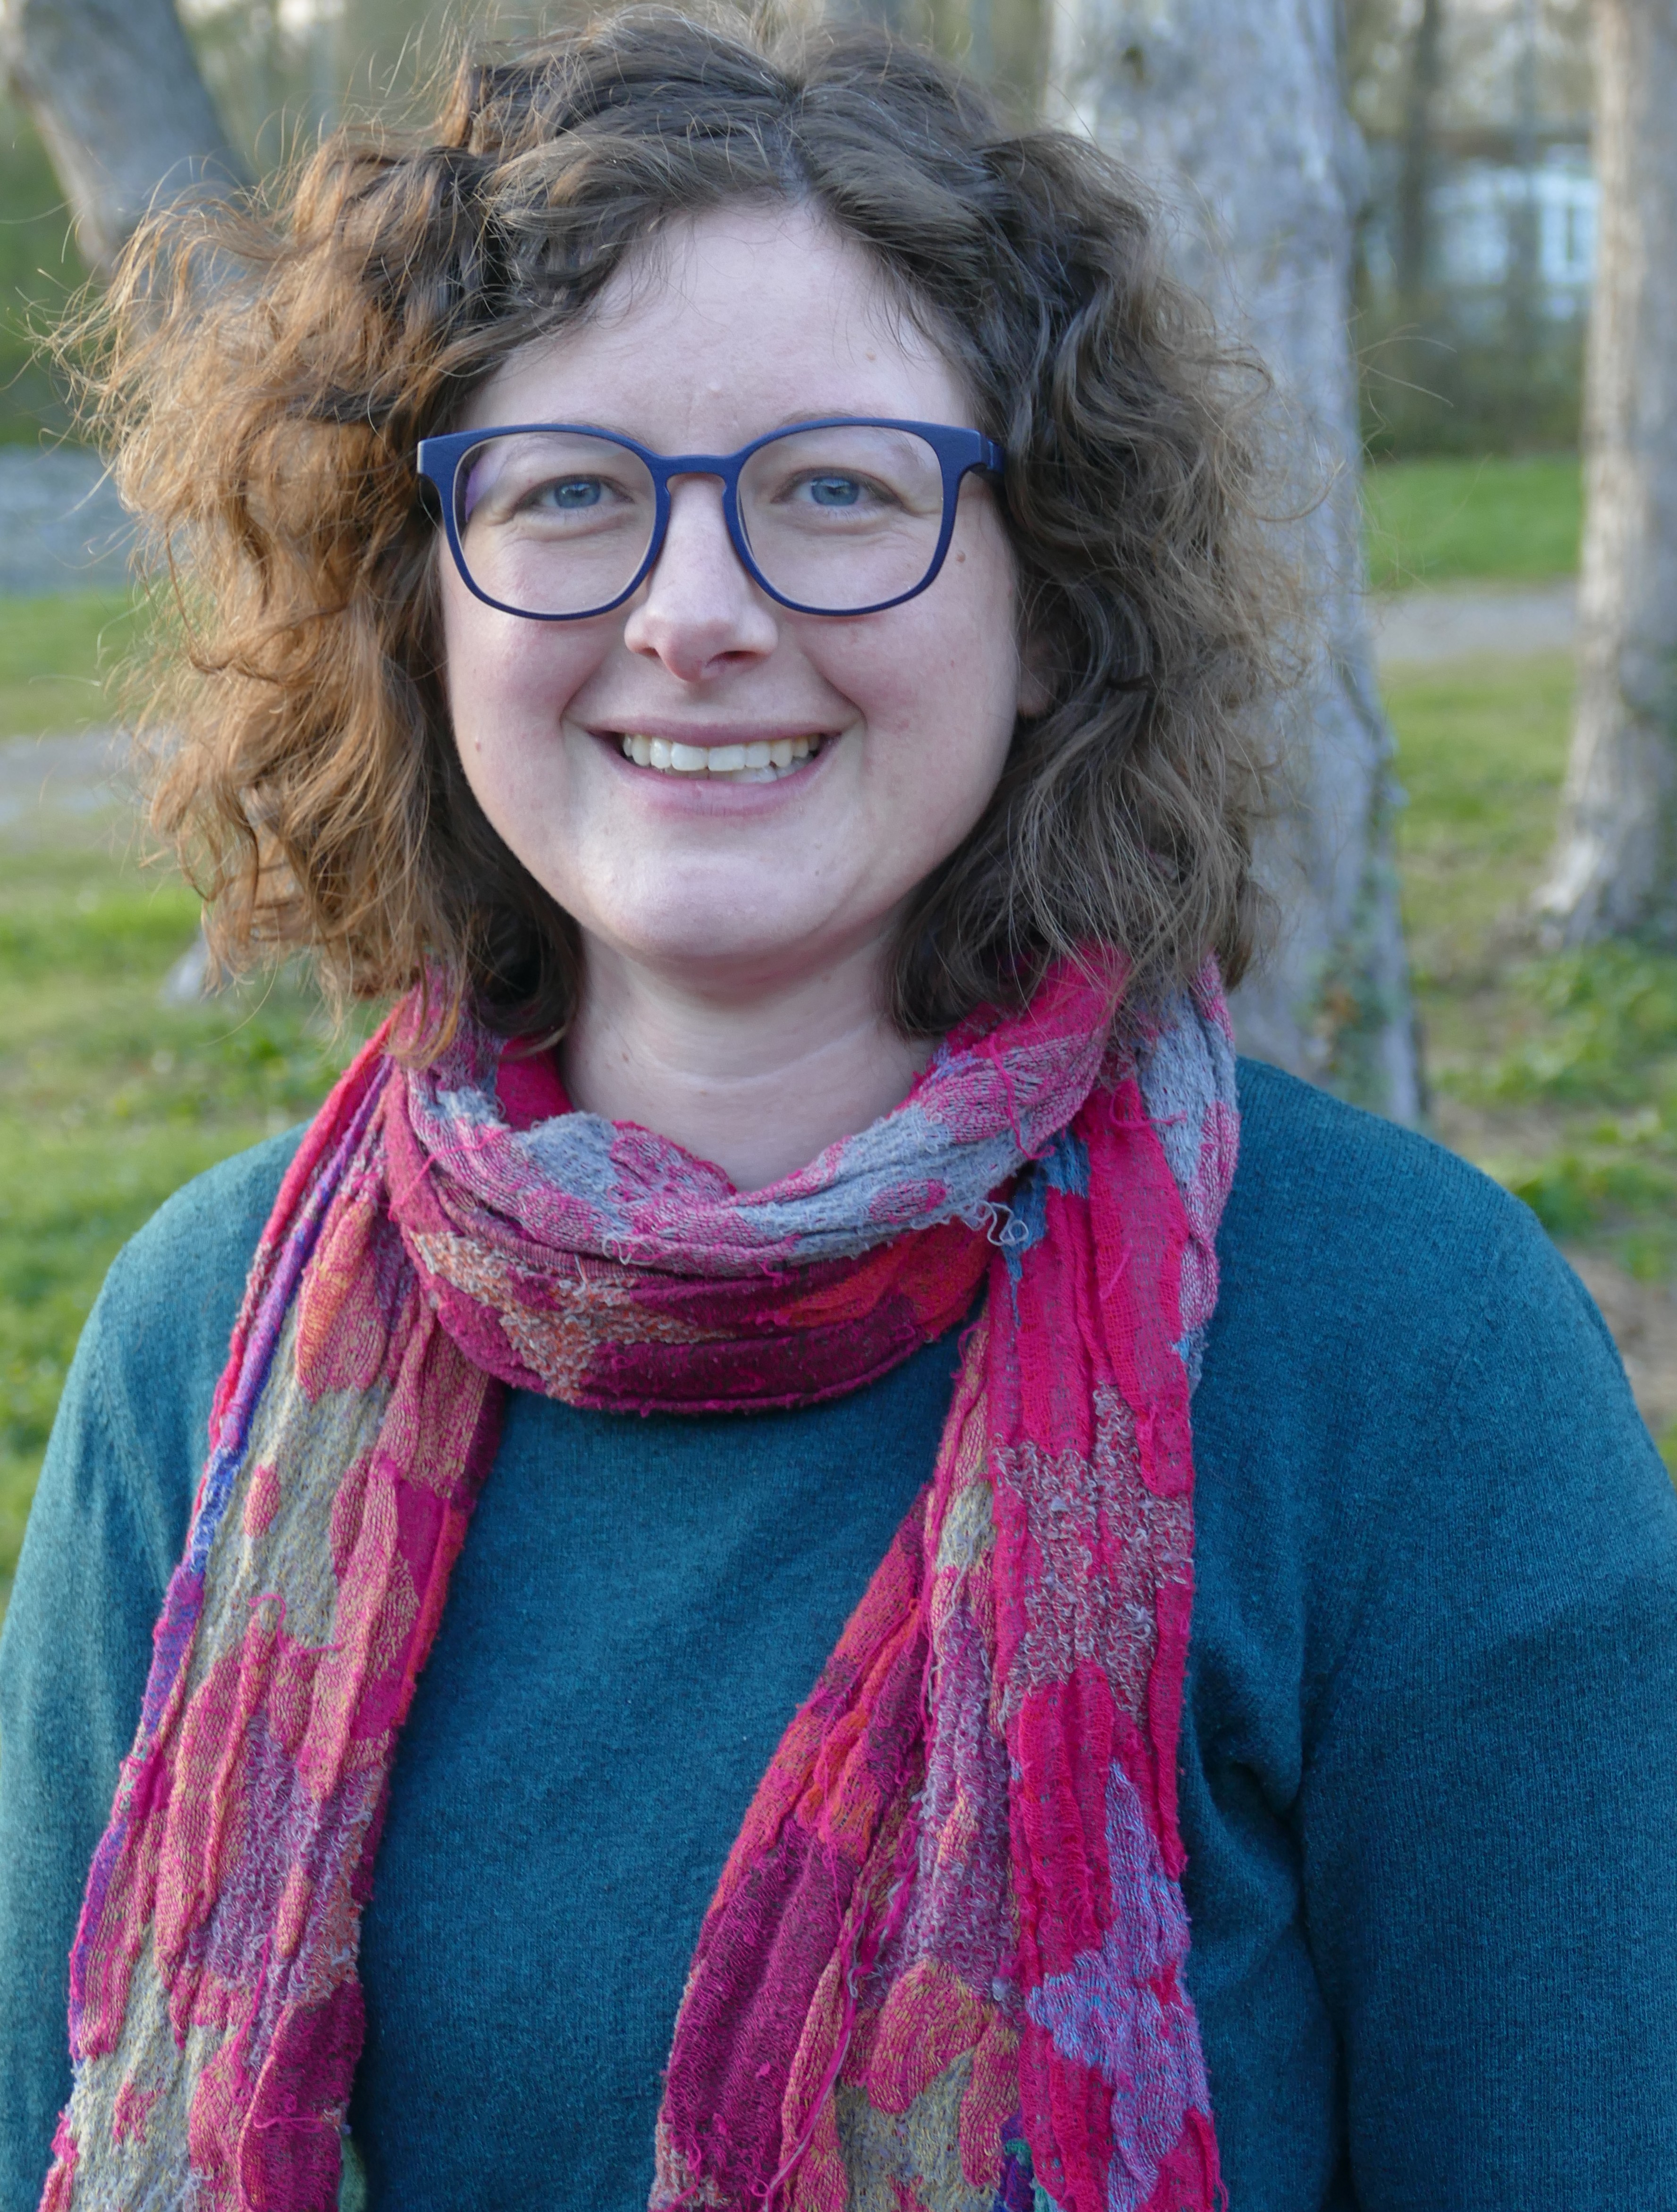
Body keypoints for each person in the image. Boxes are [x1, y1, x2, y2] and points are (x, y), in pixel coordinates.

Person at [3, 12, 1676, 2211]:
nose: (695, 613)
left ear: (1046, 606)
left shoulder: (1404, 1353)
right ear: (426, 604)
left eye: (838, 493)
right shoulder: (198, 1337)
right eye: (572, 493)